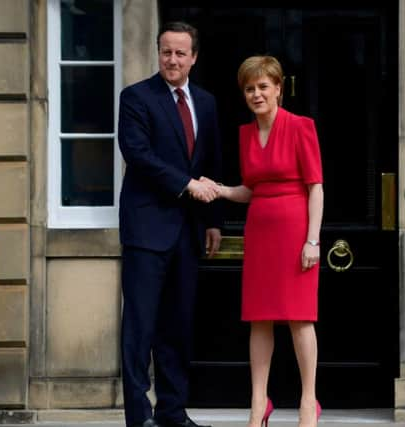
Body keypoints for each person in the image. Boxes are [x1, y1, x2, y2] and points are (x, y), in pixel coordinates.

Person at [205, 55, 324, 427]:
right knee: (259, 319)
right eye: (249, 89)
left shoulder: (302, 127)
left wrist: (313, 240)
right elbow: (252, 191)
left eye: (262, 87)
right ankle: (259, 403)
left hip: (295, 234)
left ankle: (308, 402)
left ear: (278, 90)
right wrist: (221, 190)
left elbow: (315, 187)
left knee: (300, 318)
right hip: (260, 234)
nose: (256, 94)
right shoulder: (244, 134)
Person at [117, 21, 223, 427]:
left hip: (189, 232)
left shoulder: (207, 102)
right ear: (157, 53)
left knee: (177, 329)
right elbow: (138, 154)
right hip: (146, 231)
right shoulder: (136, 97)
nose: (172, 60)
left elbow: (212, 161)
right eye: (166, 52)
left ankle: (173, 413)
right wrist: (186, 184)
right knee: (139, 331)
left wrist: (213, 220)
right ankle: (139, 417)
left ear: (194, 57)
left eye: (180, 53)